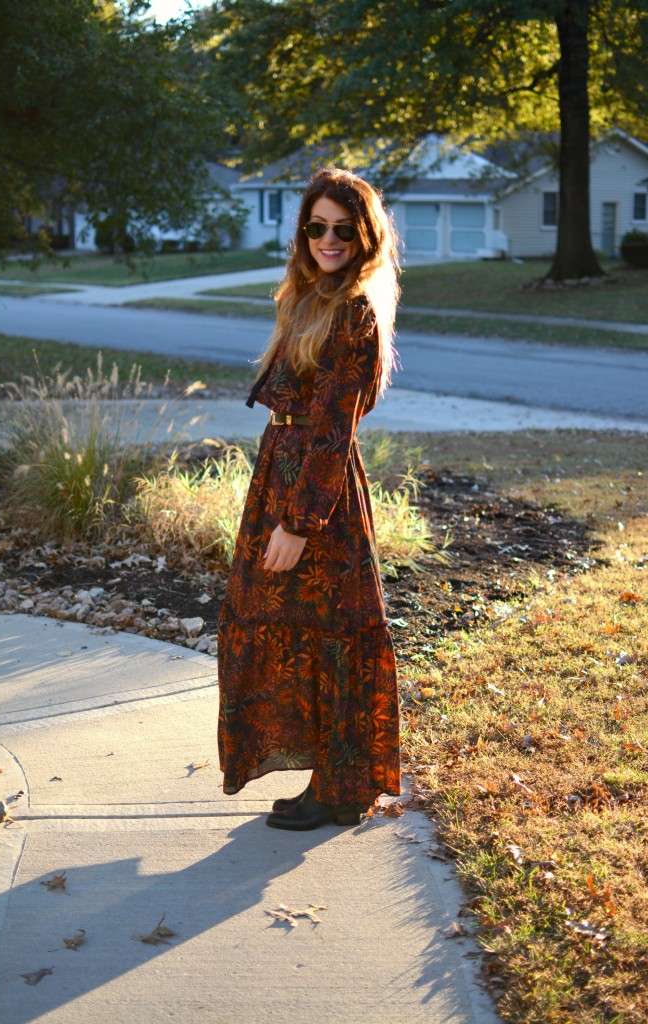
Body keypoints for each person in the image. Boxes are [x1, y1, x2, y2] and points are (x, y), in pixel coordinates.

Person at [216, 167, 402, 831]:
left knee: (334, 636)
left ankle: (343, 787)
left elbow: (333, 428)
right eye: (316, 226)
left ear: (364, 236)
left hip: (316, 497)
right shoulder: (305, 297)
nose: (328, 238)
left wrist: (298, 522)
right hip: (284, 477)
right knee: (288, 628)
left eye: (342, 229)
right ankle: (332, 777)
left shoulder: (354, 310)